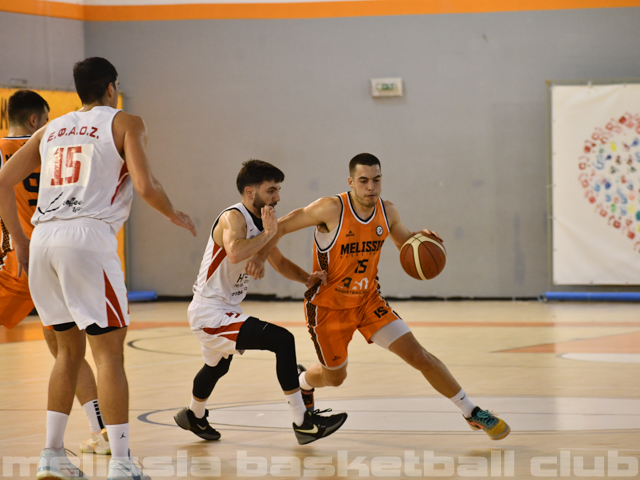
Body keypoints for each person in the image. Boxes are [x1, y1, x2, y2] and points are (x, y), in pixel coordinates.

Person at [0, 57, 196, 480]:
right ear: (111, 87)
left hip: (43, 240)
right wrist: (173, 214)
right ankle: (122, 463)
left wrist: (19, 238)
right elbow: (144, 185)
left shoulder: (50, 128)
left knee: (66, 353)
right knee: (108, 355)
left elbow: (2, 179)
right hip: (86, 238)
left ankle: (52, 455)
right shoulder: (126, 122)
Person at [248, 153, 511, 441]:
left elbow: (405, 244)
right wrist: (260, 257)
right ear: (351, 182)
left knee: (419, 356)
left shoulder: (388, 212)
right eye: (363, 181)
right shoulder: (330, 208)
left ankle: (472, 412)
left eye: (376, 180)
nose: (371, 187)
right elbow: (278, 228)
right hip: (329, 307)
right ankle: (303, 383)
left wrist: (420, 239)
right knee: (335, 378)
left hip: (368, 301)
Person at [174, 159, 347, 446]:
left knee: (217, 367)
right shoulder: (234, 217)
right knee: (282, 340)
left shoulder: (263, 223)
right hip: (210, 312)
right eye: (271, 190)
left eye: (278, 190)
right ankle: (303, 422)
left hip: (226, 309)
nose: (277, 197)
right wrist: (268, 234)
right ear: (250, 192)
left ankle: (194, 415)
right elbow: (234, 252)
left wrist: (307, 278)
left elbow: (279, 262)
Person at [0, 89, 111, 457]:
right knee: (69, 351)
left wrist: (15, 239)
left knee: (67, 352)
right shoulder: (57, 146)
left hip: (18, 260)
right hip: (60, 255)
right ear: (35, 120)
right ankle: (100, 431)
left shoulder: (7, 150)